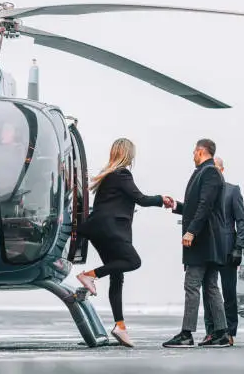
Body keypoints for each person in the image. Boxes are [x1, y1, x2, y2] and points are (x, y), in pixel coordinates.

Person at [75, 138, 173, 347]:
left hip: (98, 229)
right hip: (111, 230)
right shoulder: (122, 174)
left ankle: (120, 326)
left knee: (117, 276)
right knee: (133, 261)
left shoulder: (109, 175)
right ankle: (89, 275)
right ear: (129, 155)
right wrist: (161, 199)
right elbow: (141, 198)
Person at [162, 139, 230, 348]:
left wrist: (191, 231)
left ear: (200, 151)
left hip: (202, 241)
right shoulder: (207, 172)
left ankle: (186, 334)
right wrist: (177, 206)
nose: (192, 155)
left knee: (192, 285)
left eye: (194, 152)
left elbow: (205, 205)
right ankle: (221, 334)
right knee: (210, 287)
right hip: (208, 241)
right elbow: (197, 206)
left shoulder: (208, 172)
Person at [200, 156, 244, 346]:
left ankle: (229, 333)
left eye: (216, 169)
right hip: (208, 249)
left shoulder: (233, 190)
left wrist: (239, 247)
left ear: (222, 170)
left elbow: (241, 221)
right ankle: (211, 332)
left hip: (228, 249)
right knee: (208, 292)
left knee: (228, 293)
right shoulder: (203, 192)